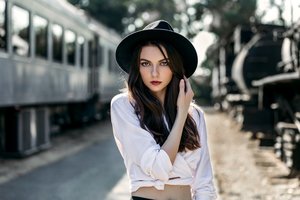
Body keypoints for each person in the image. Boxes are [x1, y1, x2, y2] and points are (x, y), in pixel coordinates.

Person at [110, 20, 217, 200]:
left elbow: (204, 183)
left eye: (164, 63)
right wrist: (181, 114)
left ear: (175, 67)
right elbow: (159, 167)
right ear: (137, 67)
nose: (154, 73)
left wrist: (185, 111)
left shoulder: (195, 115)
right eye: (145, 63)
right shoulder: (123, 106)